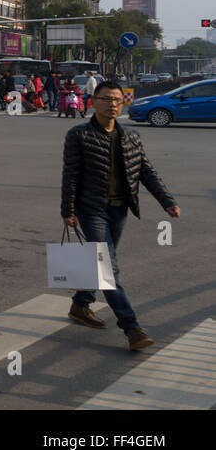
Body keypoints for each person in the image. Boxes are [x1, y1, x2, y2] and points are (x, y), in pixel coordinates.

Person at [62, 80, 180, 351]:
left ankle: (80, 305)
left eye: (117, 99)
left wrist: (167, 202)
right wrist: (67, 210)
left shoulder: (131, 136)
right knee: (108, 269)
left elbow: (146, 171)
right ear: (94, 101)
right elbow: (70, 175)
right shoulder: (78, 135)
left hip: (120, 210)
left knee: (100, 263)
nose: (113, 104)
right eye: (106, 99)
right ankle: (131, 328)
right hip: (91, 210)